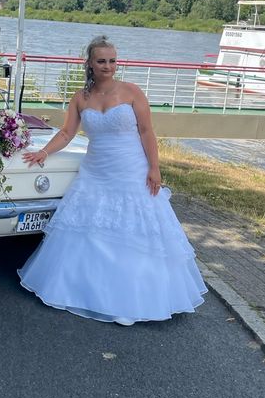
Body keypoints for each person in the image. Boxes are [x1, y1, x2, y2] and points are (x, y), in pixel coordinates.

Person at [18, 35, 207, 325]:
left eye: (112, 60)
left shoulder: (131, 92)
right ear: (90, 64)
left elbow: (146, 131)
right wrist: (44, 152)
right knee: (89, 231)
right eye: (101, 61)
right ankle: (85, 291)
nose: (108, 66)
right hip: (96, 171)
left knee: (133, 233)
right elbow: (67, 133)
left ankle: (135, 299)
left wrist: (154, 168)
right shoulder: (81, 97)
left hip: (131, 169)